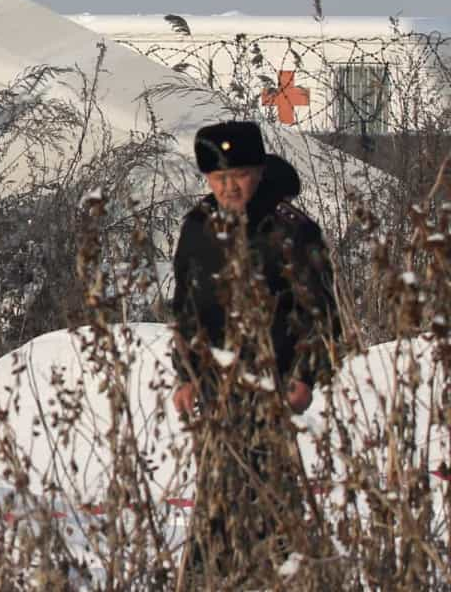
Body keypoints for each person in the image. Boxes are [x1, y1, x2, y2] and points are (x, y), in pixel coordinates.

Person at [170, 120, 340, 582]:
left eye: (239, 175)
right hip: (214, 388)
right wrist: (184, 375)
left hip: (272, 388)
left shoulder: (292, 231)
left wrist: (304, 375)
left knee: (271, 501)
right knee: (215, 500)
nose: (229, 187)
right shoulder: (197, 229)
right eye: (219, 179)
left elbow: (319, 313)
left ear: (259, 173)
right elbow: (185, 308)